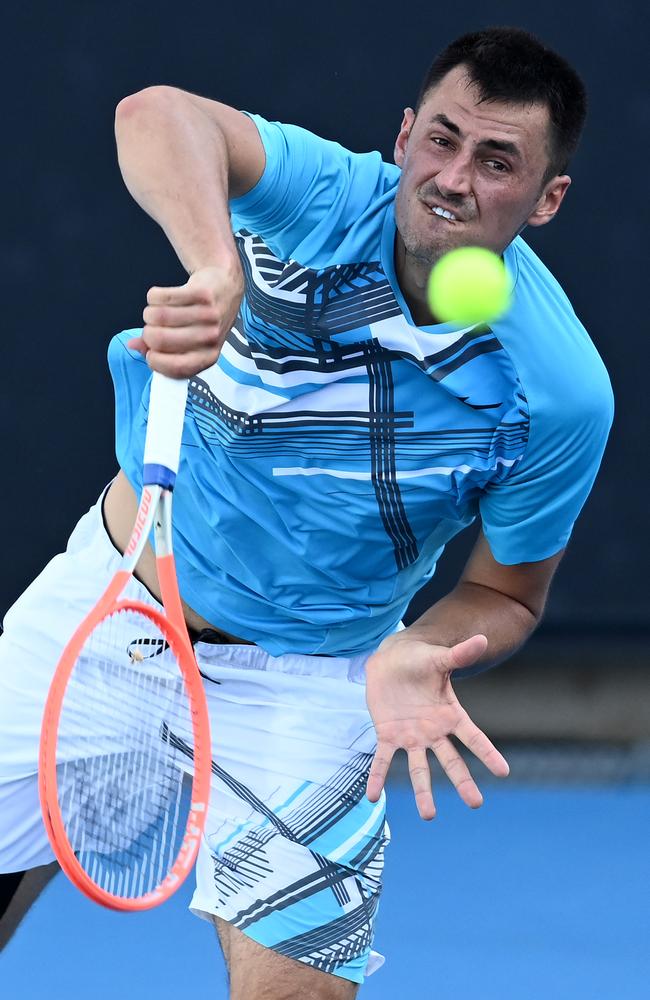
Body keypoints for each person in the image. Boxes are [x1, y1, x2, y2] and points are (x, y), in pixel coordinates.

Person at [0, 25, 613, 999]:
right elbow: (156, 115)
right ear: (404, 135)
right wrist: (215, 266)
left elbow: (505, 590)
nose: (451, 179)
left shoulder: (556, 392)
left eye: (495, 162)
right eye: (441, 140)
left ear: (546, 199)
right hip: (105, 613)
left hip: (310, 684)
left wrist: (422, 648)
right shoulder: (326, 194)